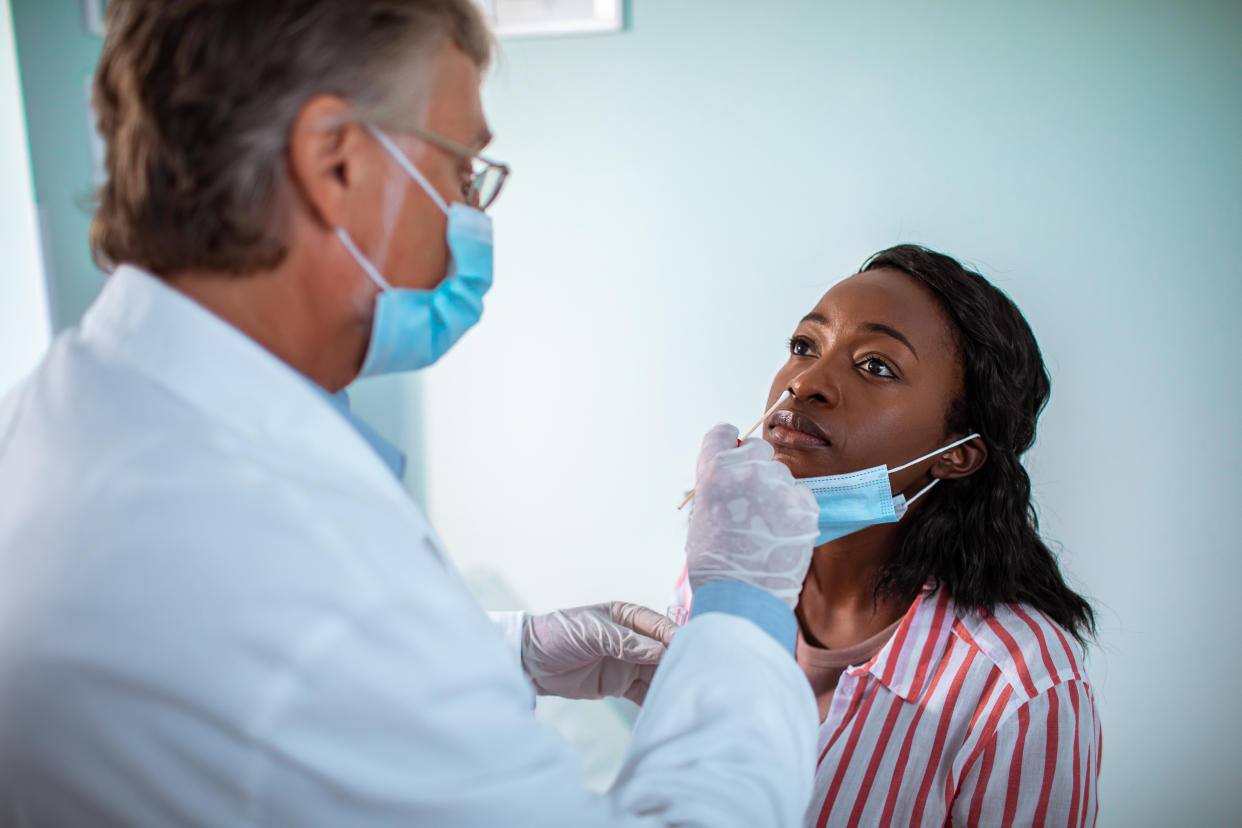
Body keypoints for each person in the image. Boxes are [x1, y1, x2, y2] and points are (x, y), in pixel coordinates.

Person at [0, 2, 823, 825]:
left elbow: (247, 681)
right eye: (463, 169)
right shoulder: (298, 560)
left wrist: (510, 651)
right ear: (336, 165)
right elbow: (310, 644)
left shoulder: (68, 412)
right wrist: (741, 615)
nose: (474, 213)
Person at [766, 245, 1101, 826]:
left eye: (876, 366)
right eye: (804, 347)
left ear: (959, 454)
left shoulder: (1024, 688)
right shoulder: (719, 573)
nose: (806, 384)